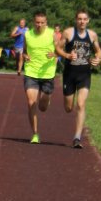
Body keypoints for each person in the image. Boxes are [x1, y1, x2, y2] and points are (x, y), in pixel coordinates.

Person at [57, 9, 101, 148]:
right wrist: (67, 56)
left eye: (85, 19)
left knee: (81, 104)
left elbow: (98, 50)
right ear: (76, 20)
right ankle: (68, 102)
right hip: (69, 75)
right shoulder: (68, 33)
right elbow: (57, 48)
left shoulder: (92, 35)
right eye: (80, 19)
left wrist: (98, 58)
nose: (82, 21)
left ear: (88, 21)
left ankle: (77, 137)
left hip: (84, 75)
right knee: (68, 108)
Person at [22, 9, 57, 143]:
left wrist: (55, 55)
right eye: (37, 22)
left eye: (42, 22)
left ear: (46, 22)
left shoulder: (52, 34)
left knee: (42, 107)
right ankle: (35, 134)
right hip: (31, 72)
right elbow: (24, 51)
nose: (39, 25)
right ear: (33, 22)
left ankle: (47, 98)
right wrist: (25, 56)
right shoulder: (28, 35)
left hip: (48, 73)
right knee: (31, 102)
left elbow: (60, 51)